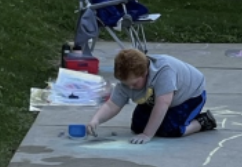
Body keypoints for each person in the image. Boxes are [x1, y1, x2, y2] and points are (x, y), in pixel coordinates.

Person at [88, 48, 217, 144]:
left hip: (189, 96)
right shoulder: (128, 80)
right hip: (156, 98)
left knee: (170, 129)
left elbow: (163, 104)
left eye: (133, 84)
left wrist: (147, 134)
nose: (130, 88)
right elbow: (112, 105)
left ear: (145, 73)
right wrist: (96, 120)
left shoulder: (163, 72)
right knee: (137, 126)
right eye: (126, 85)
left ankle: (203, 122)